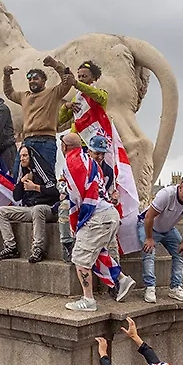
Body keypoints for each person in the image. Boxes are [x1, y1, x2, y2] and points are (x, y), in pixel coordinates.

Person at [60, 132, 136, 311]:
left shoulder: (72, 162)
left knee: (80, 258)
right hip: (108, 214)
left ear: (64, 147)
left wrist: (76, 223)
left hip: (97, 216)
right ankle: (122, 280)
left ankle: (88, 300)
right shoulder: (90, 162)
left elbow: (76, 196)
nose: (100, 156)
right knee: (99, 252)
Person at [2, 56, 75, 174]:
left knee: (46, 176)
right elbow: (9, 93)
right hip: (27, 141)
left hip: (46, 142)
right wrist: (6, 76)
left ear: (44, 81)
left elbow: (68, 82)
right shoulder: (24, 96)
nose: (32, 81)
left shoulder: (53, 93)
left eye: (35, 78)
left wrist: (54, 64)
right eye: (29, 79)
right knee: (18, 175)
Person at [138, 174, 183, 303]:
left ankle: (175, 287)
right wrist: (149, 238)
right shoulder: (166, 195)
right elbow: (149, 217)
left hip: (168, 228)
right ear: (180, 188)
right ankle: (150, 287)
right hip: (148, 225)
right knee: (149, 252)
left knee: (180, 253)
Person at [0, 145, 59, 263]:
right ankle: (10, 247)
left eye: (25, 156)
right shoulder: (23, 171)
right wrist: (22, 181)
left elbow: (55, 191)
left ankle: (38, 248)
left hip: (48, 209)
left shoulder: (42, 169)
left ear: (31, 157)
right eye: (21, 156)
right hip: (30, 209)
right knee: (1, 211)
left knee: (38, 209)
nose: (22, 159)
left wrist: (35, 187)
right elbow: (16, 196)